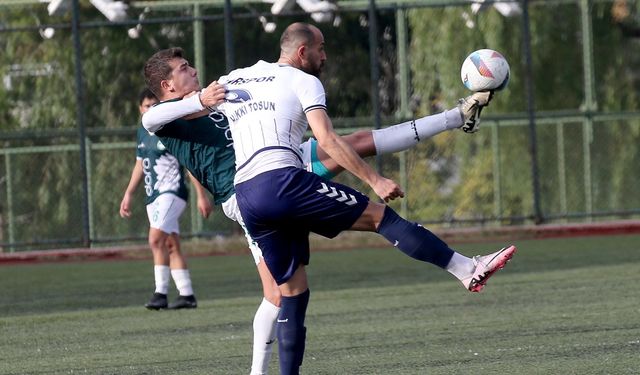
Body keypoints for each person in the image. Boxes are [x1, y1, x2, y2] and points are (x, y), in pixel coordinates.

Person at [141, 45, 501, 374]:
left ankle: (457, 116)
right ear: (166, 84)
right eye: (183, 68)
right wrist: (201, 99)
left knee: (357, 142)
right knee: (277, 295)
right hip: (244, 191)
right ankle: (257, 371)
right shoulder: (166, 117)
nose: (193, 70)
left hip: (281, 162)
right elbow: (151, 119)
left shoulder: (213, 97)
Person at [119, 88, 213, 310]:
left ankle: (160, 293)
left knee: (155, 240)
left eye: (154, 105)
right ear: (140, 109)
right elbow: (139, 164)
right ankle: (187, 295)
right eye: (146, 106)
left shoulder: (168, 128)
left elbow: (188, 164)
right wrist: (129, 193)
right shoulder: (143, 131)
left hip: (172, 192)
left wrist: (201, 196)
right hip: (153, 195)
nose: (151, 109)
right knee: (170, 244)